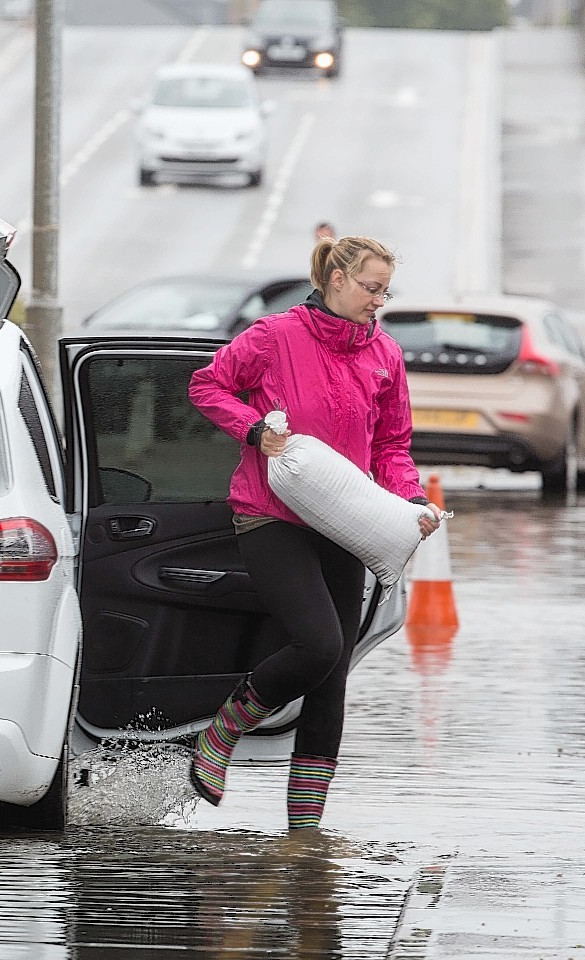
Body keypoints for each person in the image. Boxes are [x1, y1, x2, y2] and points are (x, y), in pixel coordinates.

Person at [186, 234, 444, 830]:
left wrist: (411, 501)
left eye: (385, 290)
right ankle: (223, 730)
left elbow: (391, 447)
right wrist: (254, 429)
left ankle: (305, 834)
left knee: (333, 677)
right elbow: (207, 386)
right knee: (320, 644)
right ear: (334, 279)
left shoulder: (385, 355)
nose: (378, 301)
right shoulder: (275, 337)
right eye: (369, 287)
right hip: (271, 514)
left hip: (346, 521)